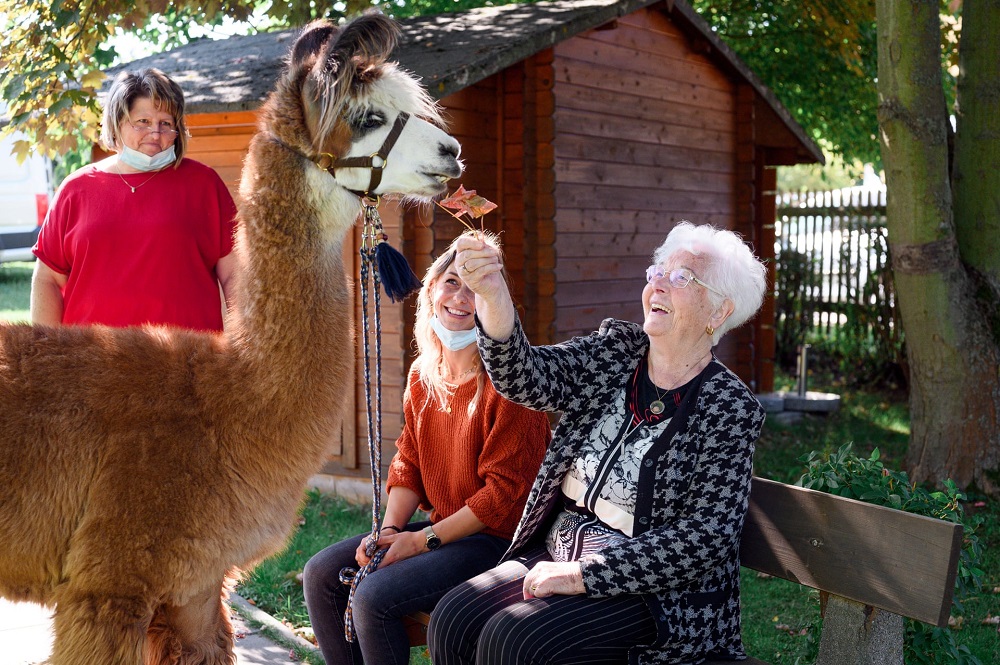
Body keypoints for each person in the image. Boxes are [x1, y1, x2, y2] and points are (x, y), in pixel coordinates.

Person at [427, 221, 769, 665]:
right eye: (656, 272)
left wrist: (586, 575)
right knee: (453, 618)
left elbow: (707, 537)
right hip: (557, 555)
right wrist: (492, 294)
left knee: (515, 638)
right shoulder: (617, 352)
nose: (658, 285)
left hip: (655, 596)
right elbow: (525, 376)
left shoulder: (729, 407)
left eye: (680, 277)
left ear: (718, 312)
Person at [302, 230, 551, 665]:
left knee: (374, 596)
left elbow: (503, 497)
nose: (461, 296)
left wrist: (421, 543)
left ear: (495, 303)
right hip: (441, 532)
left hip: (497, 542)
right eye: (452, 281)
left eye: (476, 287)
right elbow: (409, 461)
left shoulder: (512, 384)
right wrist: (393, 532)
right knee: (321, 574)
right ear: (433, 288)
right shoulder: (423, 373)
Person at [31, 67, 237, 331]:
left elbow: (234, 275)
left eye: (166, 123)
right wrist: (45, 353)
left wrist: (243, 345)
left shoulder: (205, 185)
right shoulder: (75, 189)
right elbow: (47, 279)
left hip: (186, 364)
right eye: (143, 122)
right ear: (117, 123)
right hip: (88, 363)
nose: (155, 133)